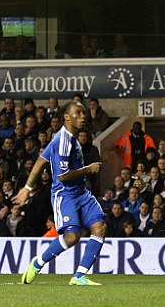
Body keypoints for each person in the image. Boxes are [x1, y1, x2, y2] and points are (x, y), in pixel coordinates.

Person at [13, 101, 105, 286]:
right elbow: (62, 176)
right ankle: (38, 263)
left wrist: (27, 188)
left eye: (83, 113)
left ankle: (79, 276)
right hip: (65, 195)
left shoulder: (69, 138)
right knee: (72, 236)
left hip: (81, 192)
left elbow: (40, 161)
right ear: (66, 116)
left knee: (100, 227)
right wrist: (88, 169)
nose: (83, 116)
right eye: (78, 113)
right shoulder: (63, 141)